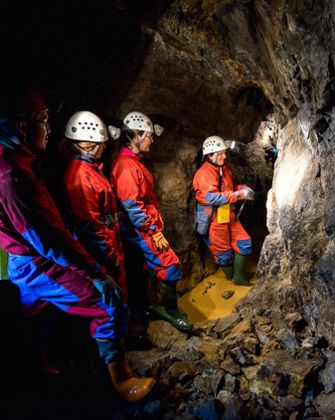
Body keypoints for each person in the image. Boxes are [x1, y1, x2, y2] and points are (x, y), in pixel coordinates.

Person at [0, 88, 155, 401]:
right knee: (107, 303)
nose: (48, 127)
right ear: (22, 127)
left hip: (27, 258)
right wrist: (96, 272)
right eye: (43, 120)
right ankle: (121, 381)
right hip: (36, 261)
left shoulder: (17, 165)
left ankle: (36, 367)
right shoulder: (11, 177)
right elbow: (47, 240)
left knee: (36, 313)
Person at [110, 111, 192, 332]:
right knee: (170, 264)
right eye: (148, 135)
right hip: (140, 229)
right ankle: (171, 312)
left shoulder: (132, 162)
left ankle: (143, 307)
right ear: (136, 136)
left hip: (140, 227)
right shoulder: (126, 166)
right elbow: (133, 207)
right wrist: (153, 229)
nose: (152, 139)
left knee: (138, 269)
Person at [62, 111, 127, 301]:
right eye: (101, 144)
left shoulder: (91, 170)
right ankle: (123, 329)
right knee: (115, 295)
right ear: (90, 146)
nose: (105, 146)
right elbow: (90, 225)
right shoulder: (80, 178)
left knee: (121, 289)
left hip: (111, 238)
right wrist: (110, 255)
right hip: (103, 248)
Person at [193, 135, 254, 286]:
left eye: (224, 152)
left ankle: (238, 278)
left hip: (228, 214)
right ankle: (230, 278)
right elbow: (212, 198)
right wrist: (237, 195)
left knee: (245, 242)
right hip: (214, 219)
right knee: (223, 254)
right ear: (209, 155)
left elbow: (228, 189)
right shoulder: (203, 174)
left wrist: (241, 189)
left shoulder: (224, 168)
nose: (224, 156)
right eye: (220, 153)